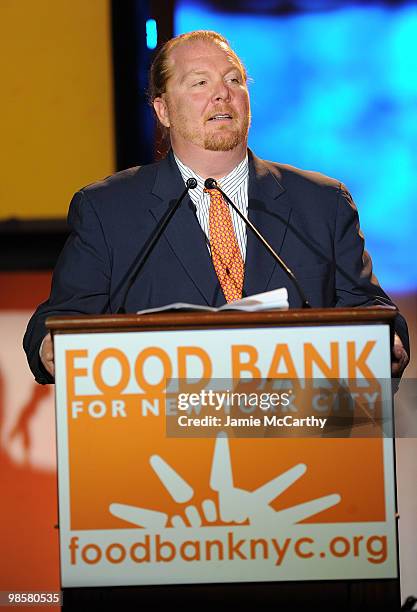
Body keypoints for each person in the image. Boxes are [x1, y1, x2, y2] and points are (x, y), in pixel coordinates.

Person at [23, 30, 409, 384]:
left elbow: (372, 311)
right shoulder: (108, 209)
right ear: (163, 111)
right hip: (156, 441)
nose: (222, 93)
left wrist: (386, 340)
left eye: (233, 80)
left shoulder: (322, 203)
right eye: (200, 83)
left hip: (303, 432)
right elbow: (60, 320)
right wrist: (52, 346)